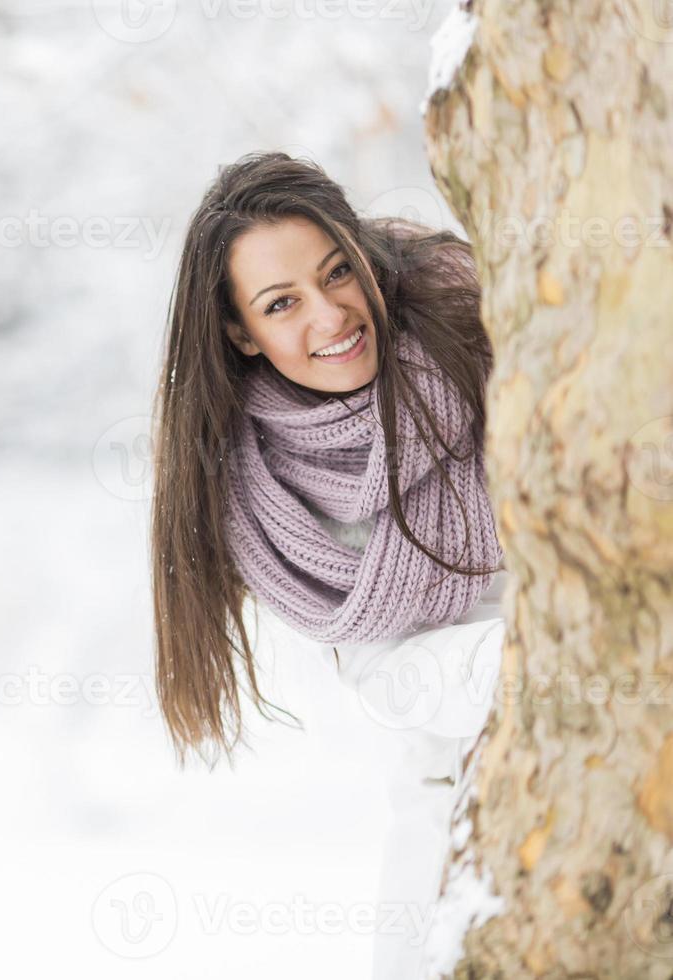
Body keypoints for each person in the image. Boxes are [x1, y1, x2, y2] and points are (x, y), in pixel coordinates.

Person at [148, 150, 507, 979]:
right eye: (282, 303)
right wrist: (569, 651)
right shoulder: (265, 489)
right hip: (448, 839)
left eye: (337, 272)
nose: (330, 314)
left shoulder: (484, 335)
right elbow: (393, 679)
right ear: (241, 332)